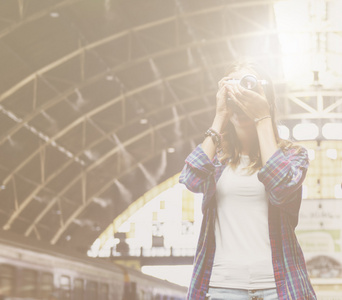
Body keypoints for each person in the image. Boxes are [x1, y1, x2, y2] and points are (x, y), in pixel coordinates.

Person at [179, 59, 317, 300]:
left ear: (266, 98)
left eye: (250, 86)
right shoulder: (216, 159)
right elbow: (191, 179)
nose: (242, 97)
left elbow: (281, 188)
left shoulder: (293, 156)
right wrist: (220, 114)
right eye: (235, 87)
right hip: (221, 287)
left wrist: (262, 117)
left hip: (279, 289)